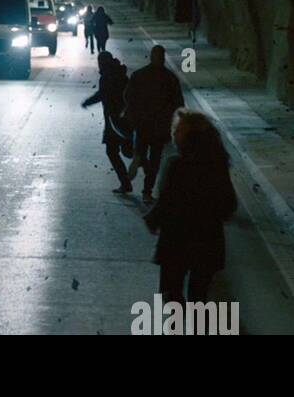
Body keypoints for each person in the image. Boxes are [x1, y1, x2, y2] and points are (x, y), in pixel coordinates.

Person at [144, 109, 237, 303]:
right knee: (199, 296)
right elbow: (229, 204)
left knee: (172, 293)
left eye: (178, 131)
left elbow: (166, 201)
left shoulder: (177, 166)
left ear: (190, 137)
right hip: (208, 241)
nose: (174, 134)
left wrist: (153, 221)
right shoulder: (218, 166)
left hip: (176, 241)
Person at [124, 45, 185, 203]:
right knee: (156, 159)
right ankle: (147, 191)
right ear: (163, 58)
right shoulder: (170, 78)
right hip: (161, 126)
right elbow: (179, 103)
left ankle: (139, 158)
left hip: (142, 123)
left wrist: (132, 117)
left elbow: (128, 97)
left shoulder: (139, 75)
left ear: (151, 57)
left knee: (142, 149)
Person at [81, 52, 134, 193]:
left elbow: (103, 94)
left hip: (114, 121)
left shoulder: (107, 77)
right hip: (124, 119)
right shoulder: (121, 74)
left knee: (113, 152)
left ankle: (127, 182)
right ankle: (132, 179)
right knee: (125, 150)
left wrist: (88, 102)